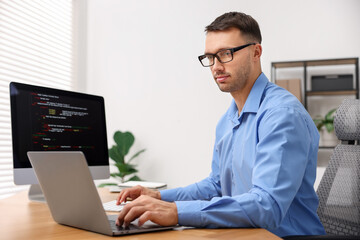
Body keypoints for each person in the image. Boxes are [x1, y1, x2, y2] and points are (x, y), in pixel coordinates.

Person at [115, 12, 326, 237]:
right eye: (210, 57)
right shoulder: (228, 119)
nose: (215, 66)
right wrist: (159, 197)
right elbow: (216, 186)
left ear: (256, 52)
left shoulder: (281, 115)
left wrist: (177, 211)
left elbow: (267, 207)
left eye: (226, 54)